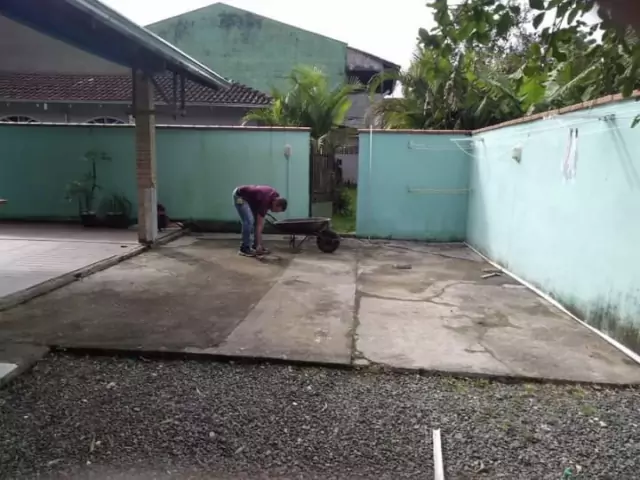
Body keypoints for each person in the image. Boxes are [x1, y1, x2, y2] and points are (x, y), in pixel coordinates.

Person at [232, 185, 288, 257]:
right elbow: (259, 224)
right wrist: (259, 244)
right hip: (240, 196)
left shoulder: (274, 196)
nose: (275, 212)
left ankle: (255, 246)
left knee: (257, 221)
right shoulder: (265, 200)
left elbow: (260, 221)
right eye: (277, 210)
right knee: (249, 220)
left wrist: (259, 244)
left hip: (251, 200)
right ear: (276, 204)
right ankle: (244, 248)